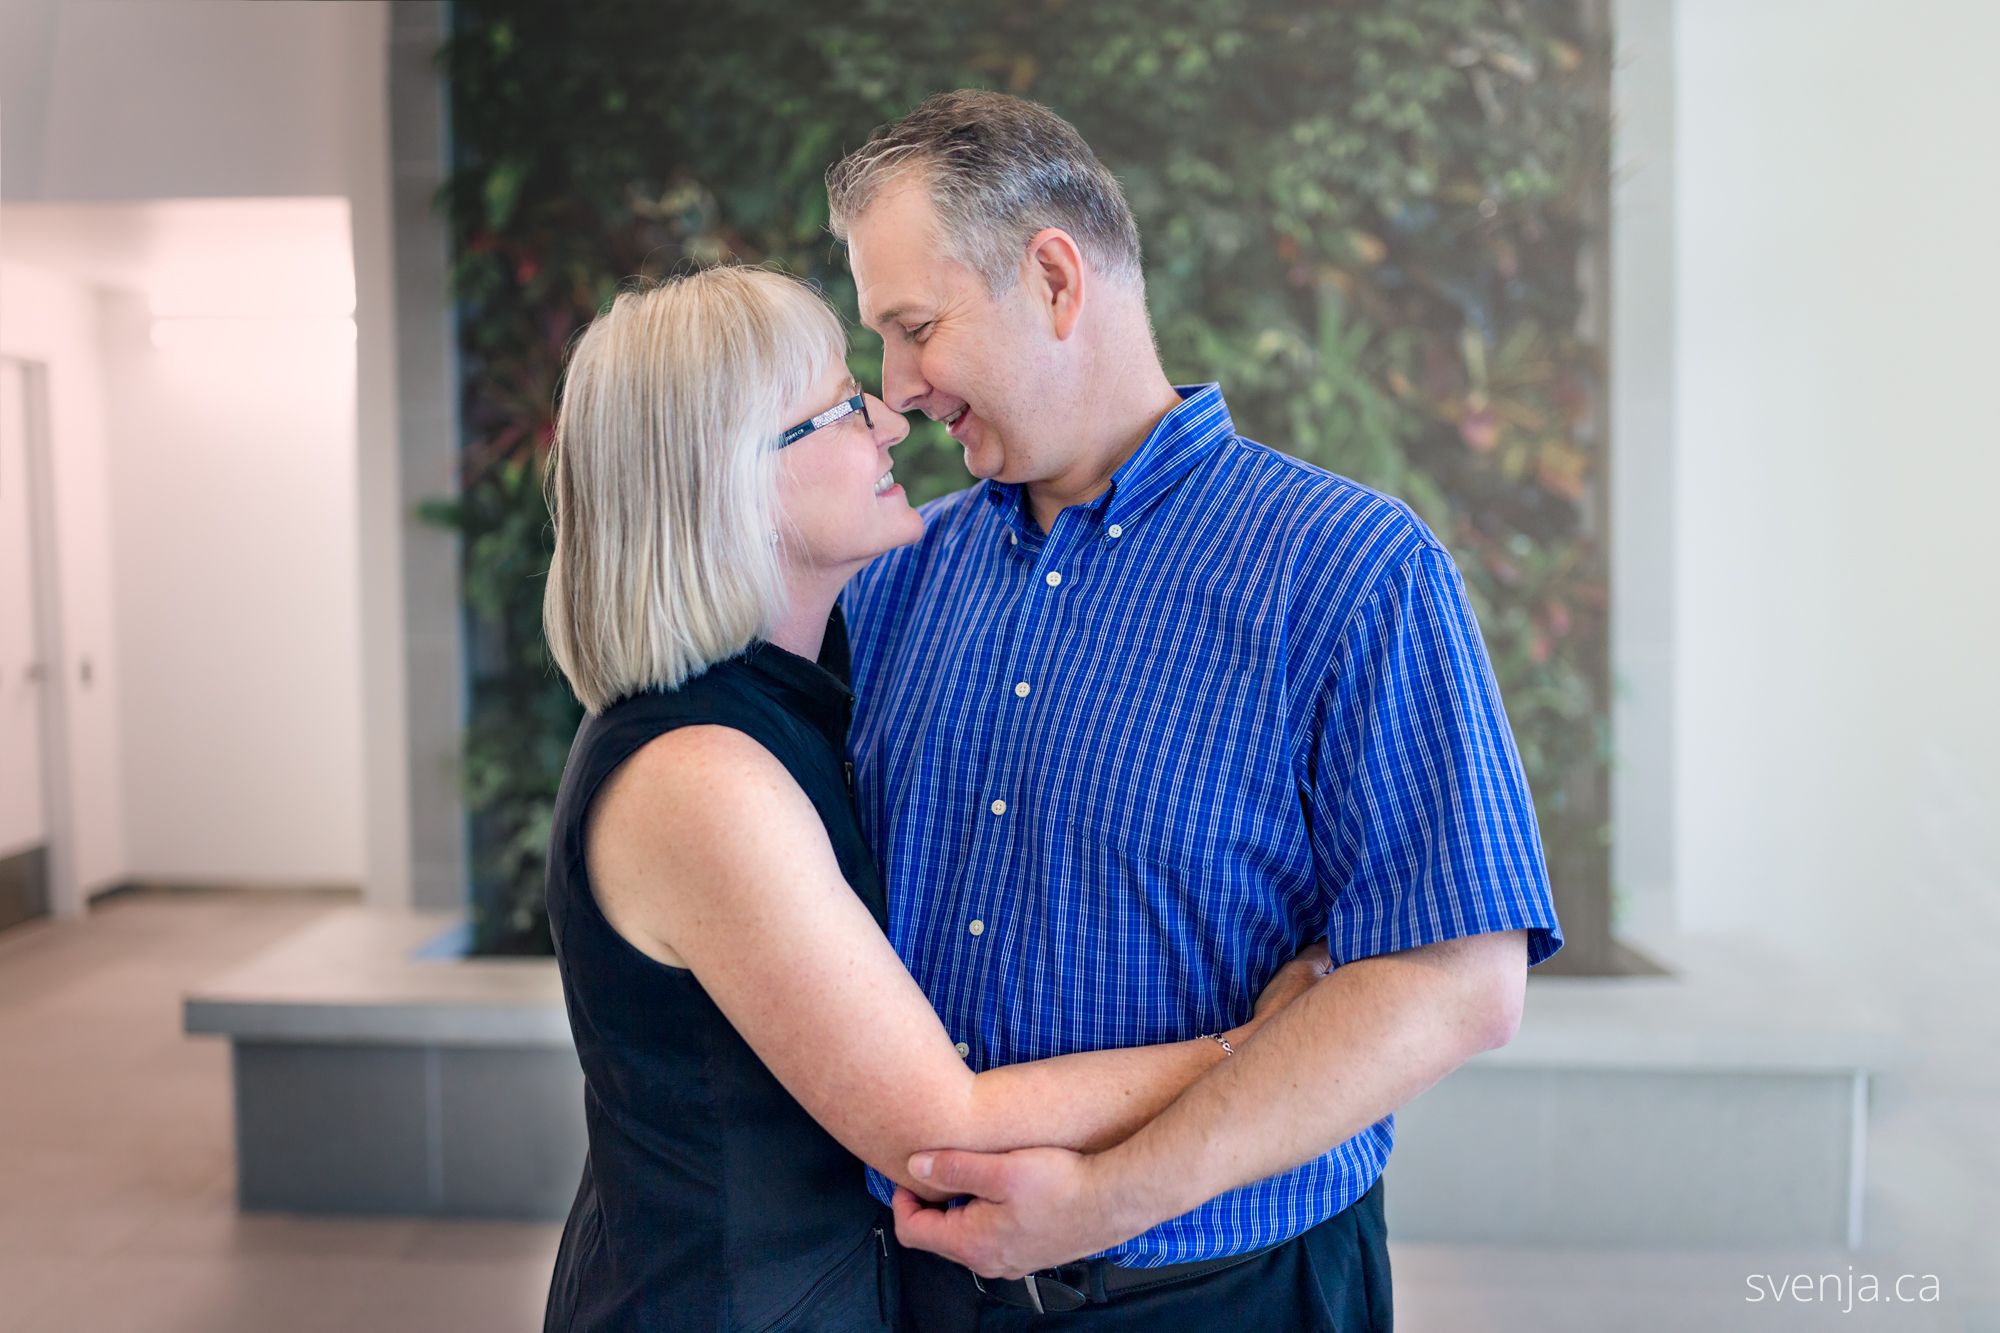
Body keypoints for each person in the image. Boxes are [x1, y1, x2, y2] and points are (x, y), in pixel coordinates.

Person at [828, 90, 1565, 1328]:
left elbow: (1457, 980)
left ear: (1054, 279)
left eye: (916, 328)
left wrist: (1107, 1196)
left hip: (1228, 1292)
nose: (897, 390)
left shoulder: (1351, 568)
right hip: (907, 1292)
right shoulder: (895, 576)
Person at [536, 265, 1331, 1332]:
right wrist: (1266, 1041)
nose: (889, 420)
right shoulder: (699, 777)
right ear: (730, 480)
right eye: (835, 408)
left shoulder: (793, 693)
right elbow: (937, 1124)